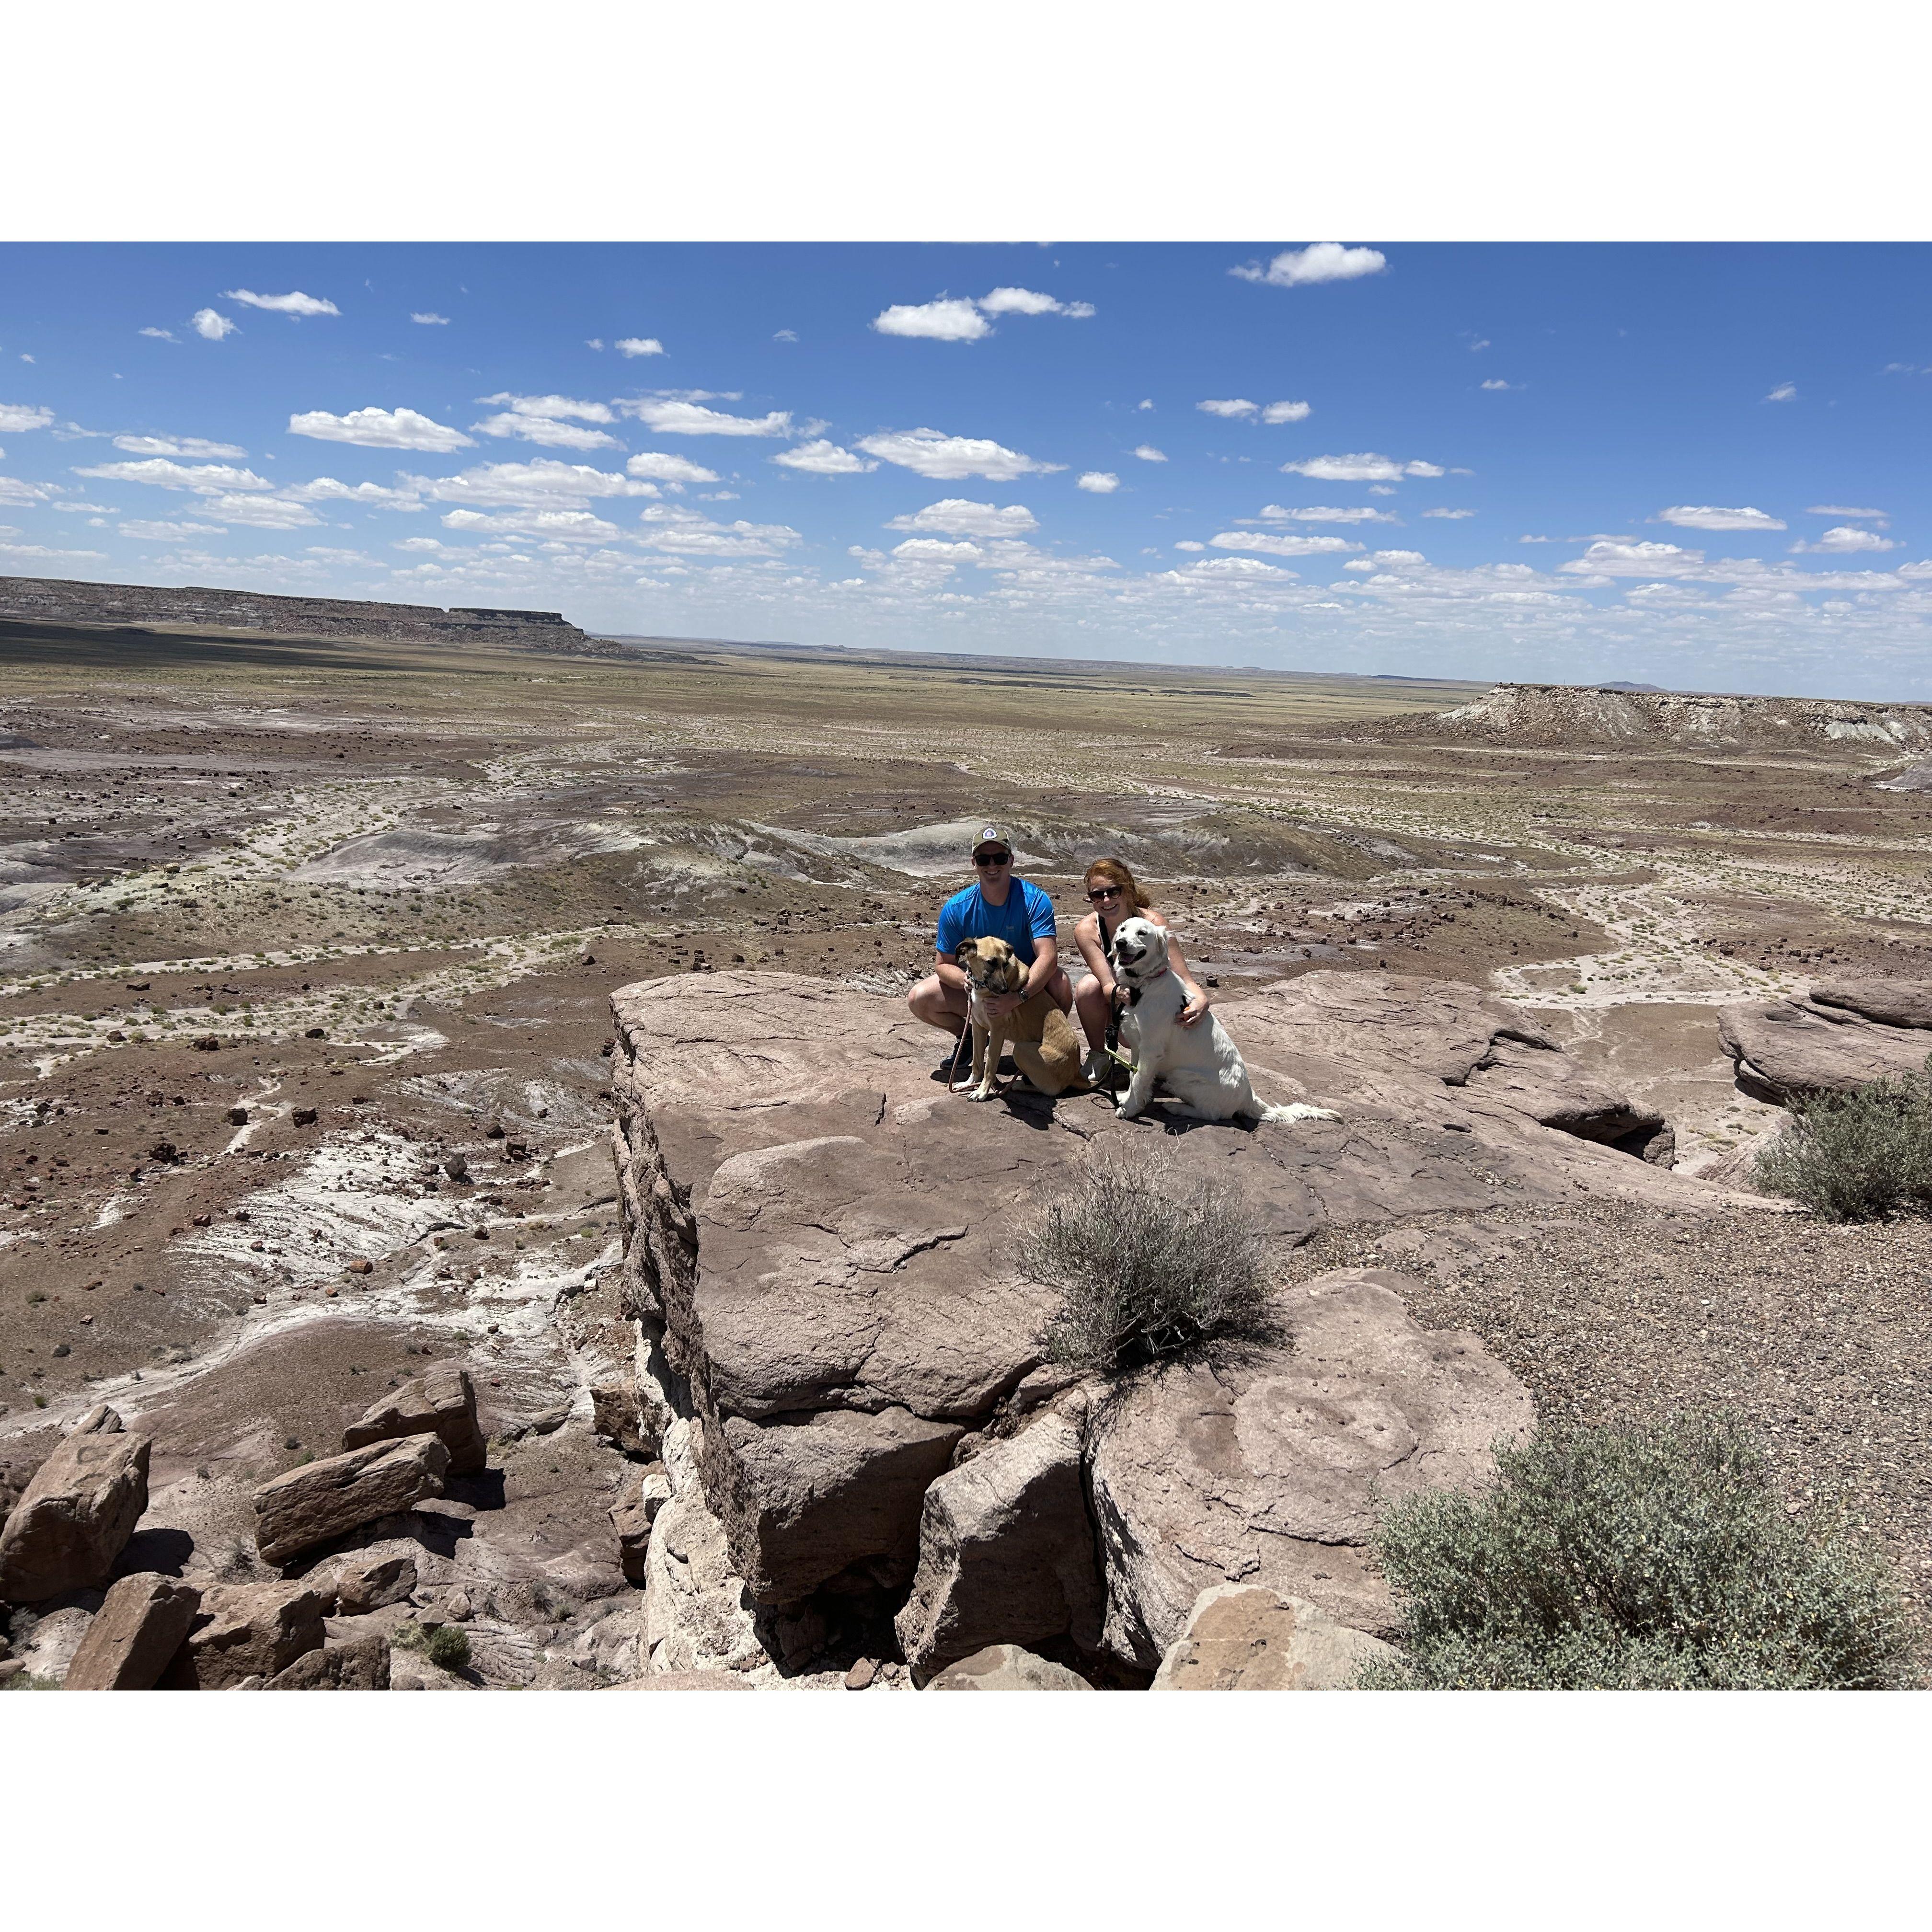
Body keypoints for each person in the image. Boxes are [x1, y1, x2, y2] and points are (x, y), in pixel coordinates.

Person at [907, 824, 1072, 1081]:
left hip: (1023, 984)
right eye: (984, 859)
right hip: (980, 986)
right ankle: (972, 1041)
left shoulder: (1034, 900)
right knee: (920, 998)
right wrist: (969, 982)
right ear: (974, 863)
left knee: (1060, 982)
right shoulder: (957, 908)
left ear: (1012, 861)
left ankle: (1042, 1055)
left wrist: (1018, 997)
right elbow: (943, 965)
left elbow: (1048, 957)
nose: (992, 865)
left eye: (1000, 858)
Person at [1071, 857, 1210, 1085]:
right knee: (1087, 986)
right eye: (1098, 895)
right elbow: (1107, 984)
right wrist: (1120, 994)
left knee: (1146, 1033)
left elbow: (1183, 977)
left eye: (1113, 892)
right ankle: (1099, 1055)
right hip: (1123, 997)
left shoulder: (1154, 924)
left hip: (1155, 998)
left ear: (1127, 891)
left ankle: (1164, 1063)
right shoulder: (1087, 930)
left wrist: (1202, 1000)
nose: (1106, 900)